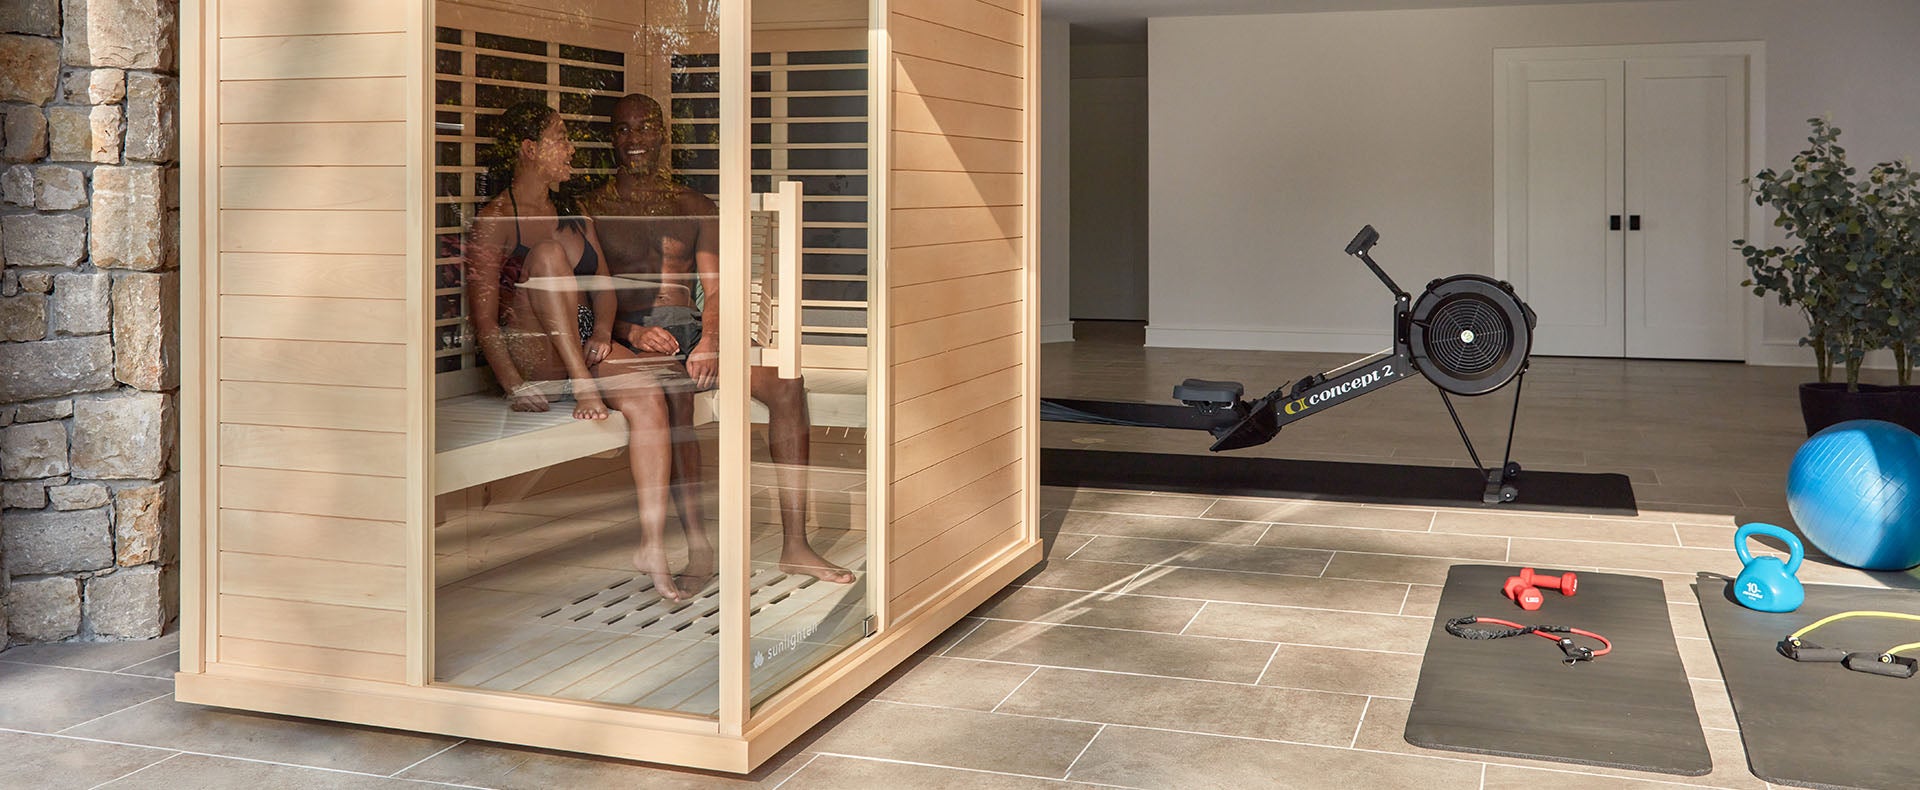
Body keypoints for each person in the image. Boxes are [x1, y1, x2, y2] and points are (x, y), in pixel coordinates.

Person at [583, 92, 855, 588]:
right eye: (623, 130)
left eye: (645, 128)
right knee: (678, 400)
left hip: (695, 327)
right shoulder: (592, 209)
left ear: (662, 135)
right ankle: (699, 549)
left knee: (787, 385)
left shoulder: (692, 205)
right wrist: (632, 331)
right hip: (639, 337)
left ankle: (796, 544)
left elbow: (719, 287)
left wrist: (711, 339)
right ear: (611, 138)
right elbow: (589, 295)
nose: (635, 140)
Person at [463, 100, 694, 601]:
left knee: (650, 397)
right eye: (560, 137)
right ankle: (585, 382)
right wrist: (515, 386)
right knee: (547, 255)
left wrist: (606, 333)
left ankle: (652, 545)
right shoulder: (496, 219)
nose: (571, 147)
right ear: (529, 150)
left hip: (585, 343)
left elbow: (603, 287)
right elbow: (483, 320)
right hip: (536, 354)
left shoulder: (575, 212)